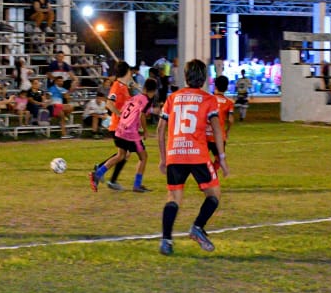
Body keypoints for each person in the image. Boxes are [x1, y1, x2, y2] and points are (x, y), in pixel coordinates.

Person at [157, 58, 227, 255]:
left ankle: (166, 241)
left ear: (185, 77)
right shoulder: (208, 99)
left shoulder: (173, 98)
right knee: (214, 195)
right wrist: (221, 158)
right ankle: (197, 227)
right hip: (197, 155)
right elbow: (217, 130)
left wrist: (163, 158)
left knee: (173, 198)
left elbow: (161, 130)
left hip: (175, 154)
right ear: (204, 78)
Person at [92, 77, 154, 192]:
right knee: (143, 157)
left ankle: (98, 173)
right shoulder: (146, 100)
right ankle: (137, 185)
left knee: (121, 155)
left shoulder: (135, 97)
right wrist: (145, 130)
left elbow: (126, 109)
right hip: (130, 133)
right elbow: (142, 115)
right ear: (153, 91)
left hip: (120, 129)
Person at [209, 75, 235, 159]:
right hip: (219, 136)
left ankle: (209, 170)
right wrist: (227, 131)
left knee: (202, 158)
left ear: (215, 86)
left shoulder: (208, 100)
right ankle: (213, 171)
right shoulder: (229, 103)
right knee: (220, 159)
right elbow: (230, 120)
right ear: (227, 88)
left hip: (206, 135)